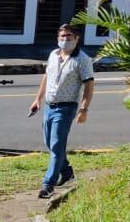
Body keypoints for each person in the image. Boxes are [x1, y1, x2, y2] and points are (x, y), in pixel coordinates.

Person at [30, 22, 94, 199]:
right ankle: (66, 171)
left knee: (57, 146)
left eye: (69, 36)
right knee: (49, 144)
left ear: (76, 38)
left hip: (66, 108)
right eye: (62, 36)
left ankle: (48, 184)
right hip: (50, 106)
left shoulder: (82, 59)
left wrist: (84, 108)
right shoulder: (53, 55)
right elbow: (46, 77)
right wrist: (38, 99)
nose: (65, 39)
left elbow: (89, 85)